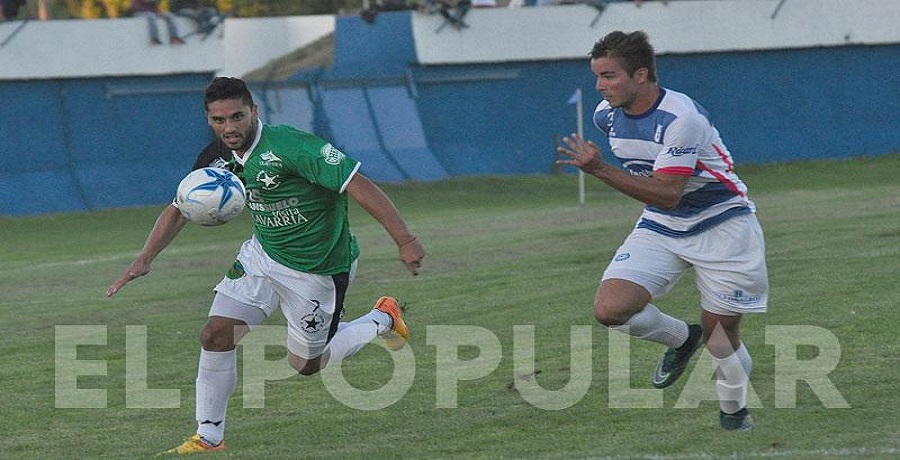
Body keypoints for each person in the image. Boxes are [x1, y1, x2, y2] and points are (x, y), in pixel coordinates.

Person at [107, 76, 426, 453]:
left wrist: (404, 239)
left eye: (237, 117)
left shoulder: (293, 146)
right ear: (209, 119)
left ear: (254, 111)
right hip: (263, 256)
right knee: (215, 334)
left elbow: (359, 185)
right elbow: (180, 208)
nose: (229, 127)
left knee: (307, 364)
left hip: (318, 268)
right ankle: (209, 435)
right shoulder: (215, 159)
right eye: (218, 120)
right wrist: (144, 260)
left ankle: (381, 319)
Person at [556, 30, 767, 431]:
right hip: (663, 224)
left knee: (720, 336)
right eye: (597, 76)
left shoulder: (681, 119)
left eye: (610, 76)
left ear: (641, 75)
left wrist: (599, 168)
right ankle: (680, 339)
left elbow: (668, 192)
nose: (601, 86)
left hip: (723, 224)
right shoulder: (607, 115)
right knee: (610, 310)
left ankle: (734, 412)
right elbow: (661, 198)